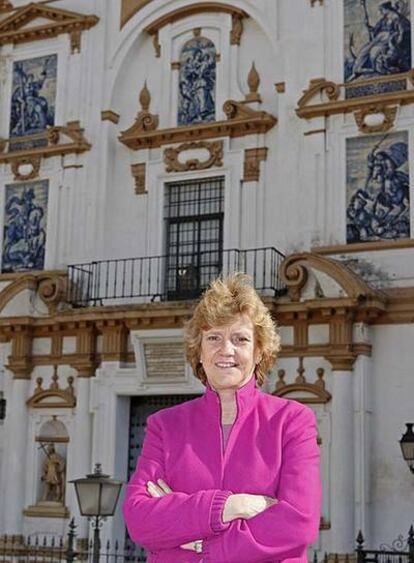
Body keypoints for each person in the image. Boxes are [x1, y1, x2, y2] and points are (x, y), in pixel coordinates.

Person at [123, 274, 321, 562]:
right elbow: (139, 519)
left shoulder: (292, 421)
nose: (226, 349)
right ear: (199, 352)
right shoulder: (164, 426)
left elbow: (297, 523)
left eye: (240, 339)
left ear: (258, 352)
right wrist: (230, 505)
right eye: (214, 337)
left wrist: (204, 545)